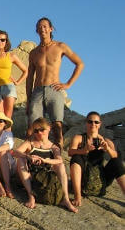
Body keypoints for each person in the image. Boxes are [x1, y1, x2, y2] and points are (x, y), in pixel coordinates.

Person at [26, 17, 84, 147]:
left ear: (51, 29)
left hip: (54, 88)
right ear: (36, 30)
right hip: (38, 90)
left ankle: (58, 158)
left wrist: (68, 84)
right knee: (32, 126)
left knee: (57, 126)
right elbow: (30, 77)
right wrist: (28, 99)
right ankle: (30, 157)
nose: (42, 29)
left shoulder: (60, 46)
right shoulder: (34, 53)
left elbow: (79, 64)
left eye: (45, 26)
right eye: (39, 27)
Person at [13, 117, 77, 212]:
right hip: (28, 176)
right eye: (36, 131)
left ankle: (65, 199)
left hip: (43, 178)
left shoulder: (53, 147)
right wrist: (28, 156)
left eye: (42, 130)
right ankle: (31, 196)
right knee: (21, 160)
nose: (39, 133)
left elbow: (59, 160)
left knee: (61, 166)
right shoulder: (30, 143)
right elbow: (15, 152)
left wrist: (45, 160)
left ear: (49, 128)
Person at [69, 111, 125, 206]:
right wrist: (84, 150)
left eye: (96, 122)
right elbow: (70, 152)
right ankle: (78, 196)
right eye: (90, 121)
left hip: (100, 179)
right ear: (86, 123)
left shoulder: (106, 141)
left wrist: (107, 149)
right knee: (76, 158)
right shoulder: (79, 138)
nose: (93, 124)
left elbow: (115, 157)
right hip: (83, 179)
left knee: (116, 161)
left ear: (100, 124)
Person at [0, 30, 27, 119]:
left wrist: (17, 82)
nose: (0, 42)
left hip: (8, 88)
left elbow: (25, 70)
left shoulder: (11, 56)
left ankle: (8, 133)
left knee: (7, 119)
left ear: (6, 41)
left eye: (3, 40)